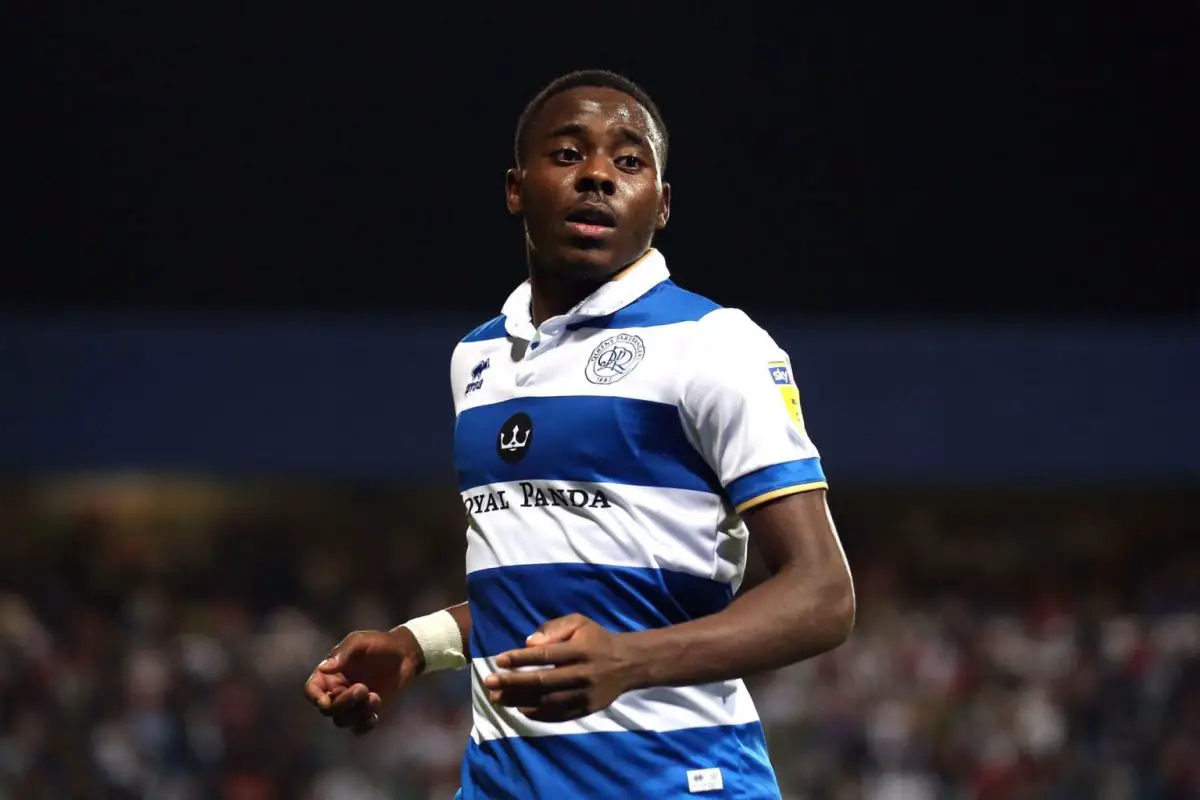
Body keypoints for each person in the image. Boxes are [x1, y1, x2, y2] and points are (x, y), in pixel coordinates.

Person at [305, 69, 855, 799]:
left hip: (679, 783)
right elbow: (543, 582)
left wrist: (630, 661)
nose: (598, 174)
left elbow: (823, 595)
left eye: (628, 161)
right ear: (515, 189)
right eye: (568, 154)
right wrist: (417, 644)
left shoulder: (714, 343)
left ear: (661, 204)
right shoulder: (477, 358)